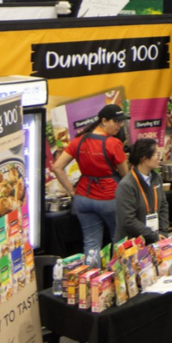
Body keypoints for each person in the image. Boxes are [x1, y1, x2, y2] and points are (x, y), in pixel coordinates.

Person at [50, 103, 130, 255]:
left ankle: (92, 277)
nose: (120, 125)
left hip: (83, 198)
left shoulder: (78, 140)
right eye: (116, 121)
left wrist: (71, 190)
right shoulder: (113, 144)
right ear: (104, 121)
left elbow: (57, 167)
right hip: (110, 198)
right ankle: (120, 277)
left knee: (91, 244)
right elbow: (125, 176)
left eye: (121, 121)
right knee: (119, 241)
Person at [115, 139, 167, 243]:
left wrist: (162, 232)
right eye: (157, 154)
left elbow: (163, 206)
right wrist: (153, 235)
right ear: (144, 158)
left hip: (153, 239)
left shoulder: (156, 178)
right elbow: (128, 220)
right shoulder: (127, 185)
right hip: (133, 245)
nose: (159, 157)